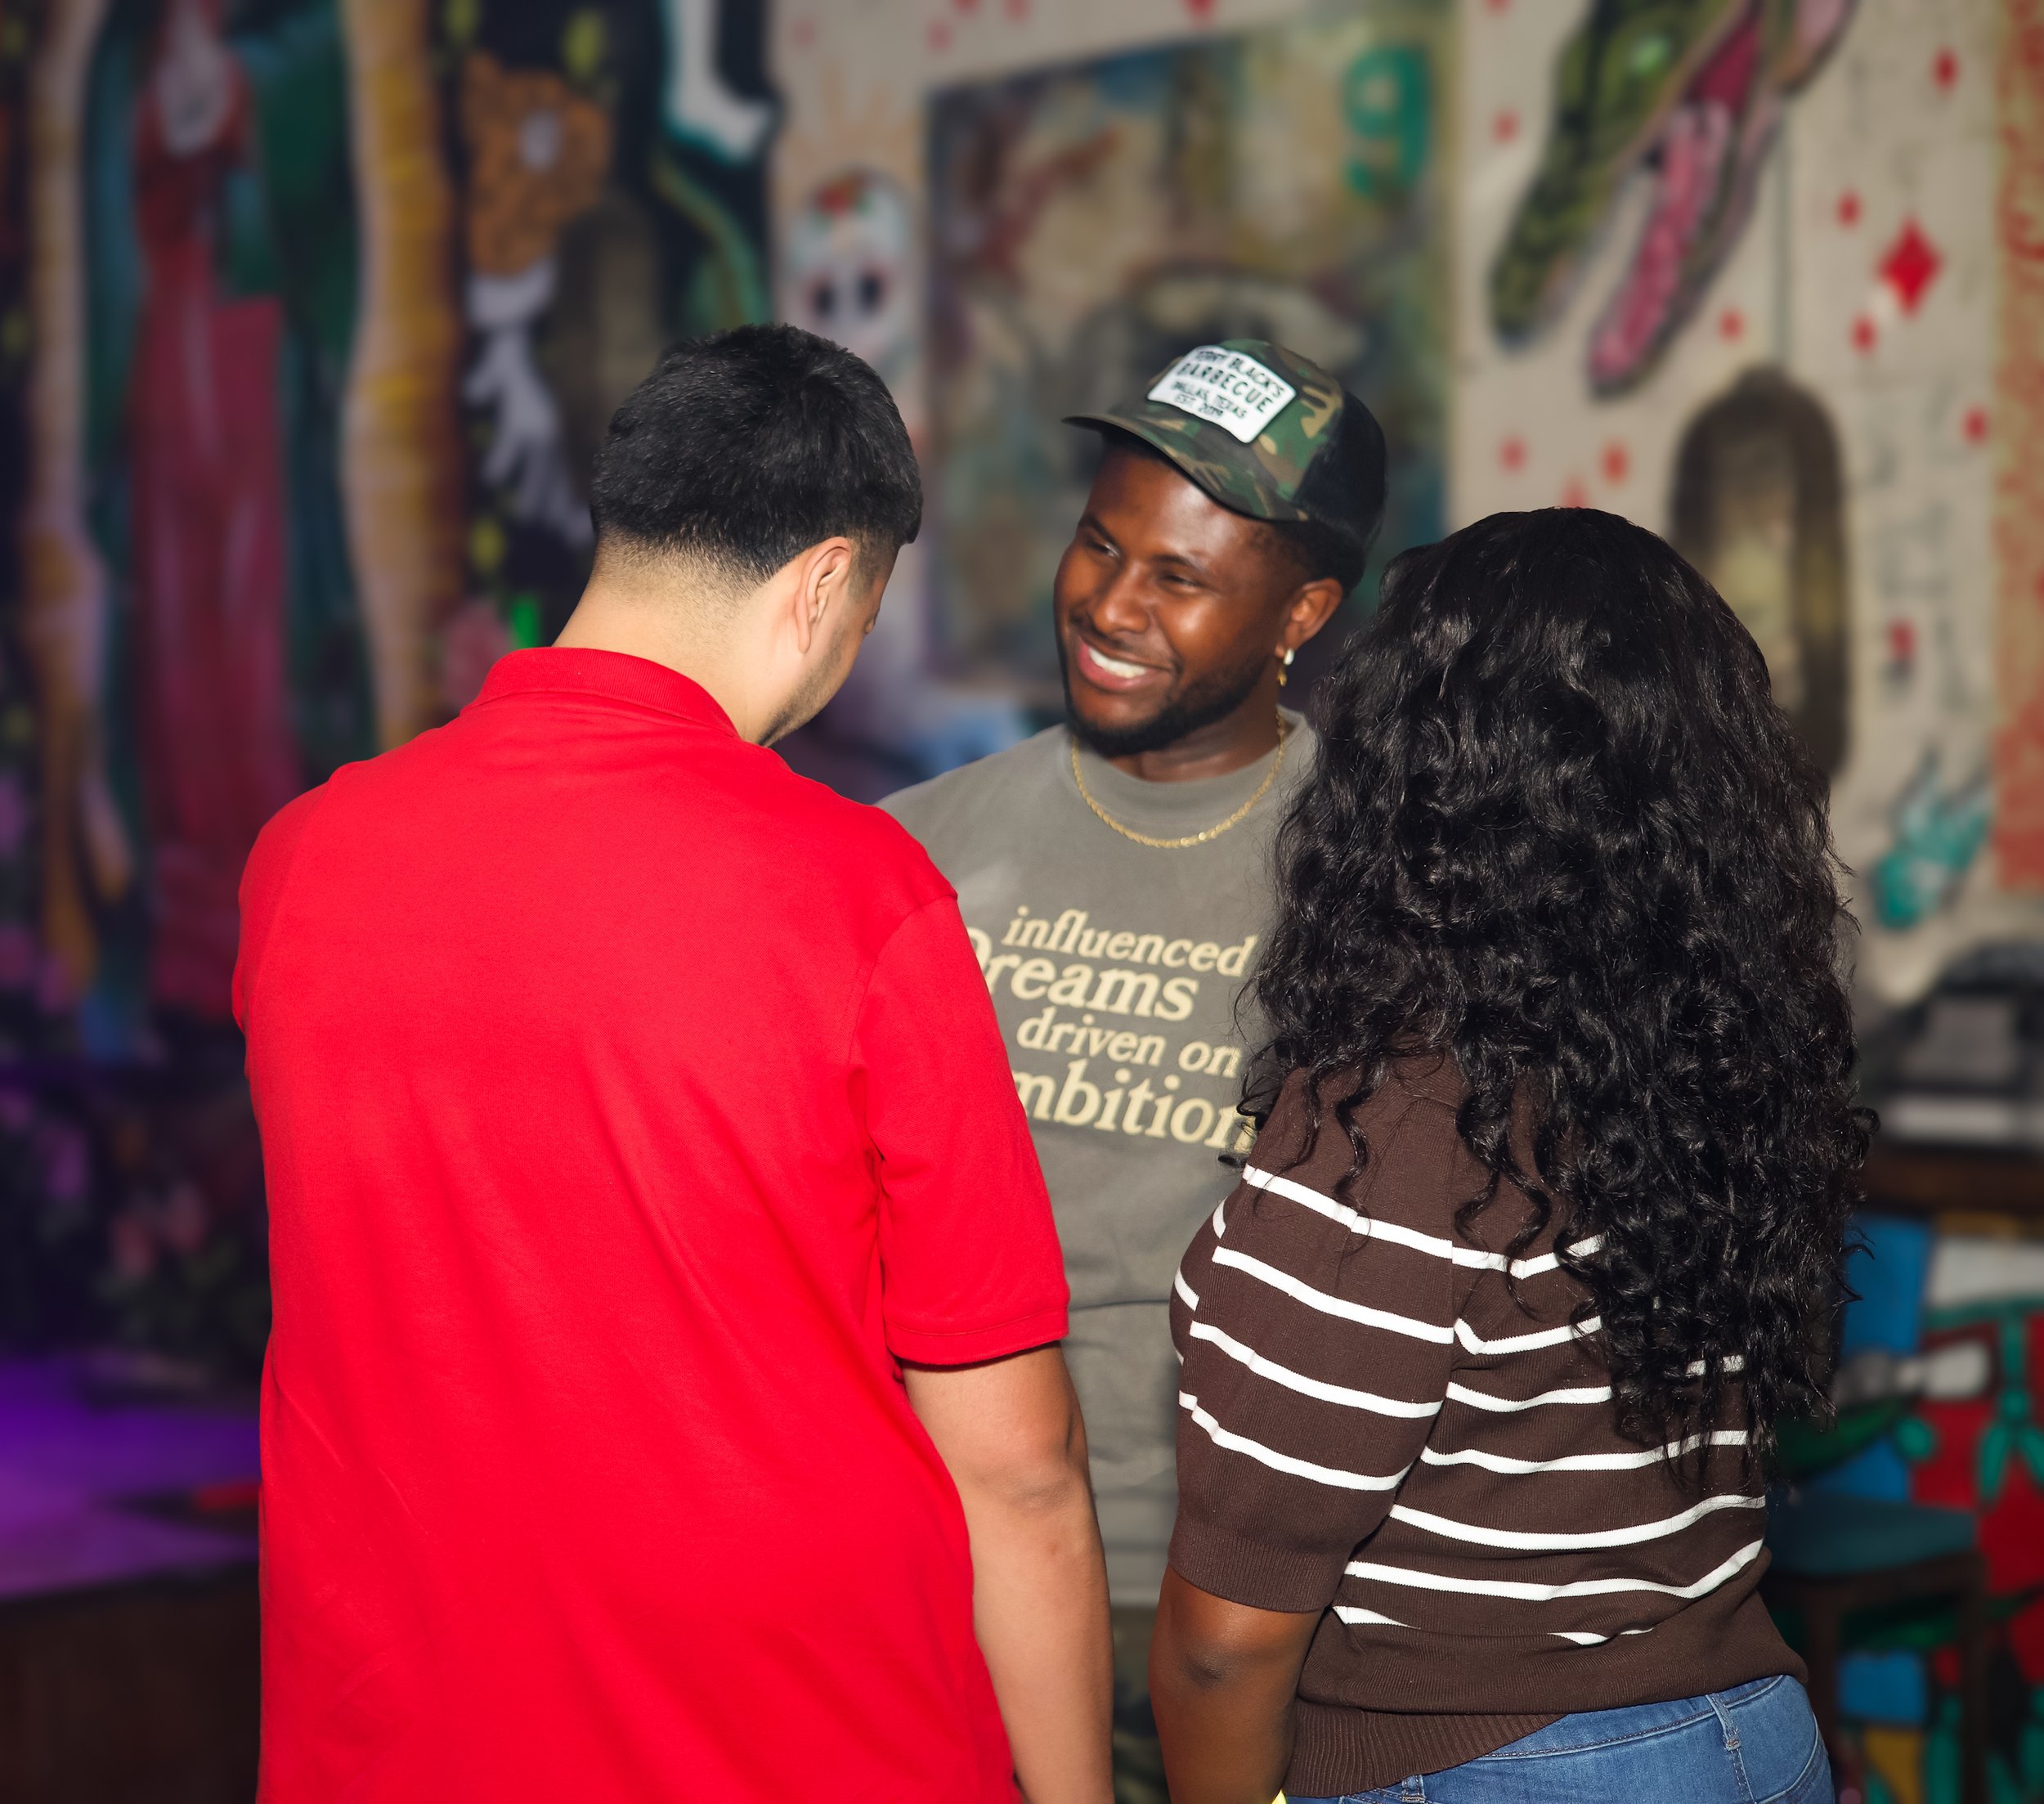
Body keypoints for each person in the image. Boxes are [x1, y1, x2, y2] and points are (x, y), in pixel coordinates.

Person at [235, 325, 1113, 1802]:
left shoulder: (300, 859)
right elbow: (1016, 1465)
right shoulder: (860, 896)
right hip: (798, 1737)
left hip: (401, 1736)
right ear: (827, 579)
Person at [1151, 508, 1861, 1804]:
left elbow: (1223, 1645)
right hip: (1754, 1739)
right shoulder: (1710, 1061)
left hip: (1495, 1762)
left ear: (1414, 771)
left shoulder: (1399, 1121)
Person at [885, 339, 1387, 1797]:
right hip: (953, 1572)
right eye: (1101, 543)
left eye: (1179, 575)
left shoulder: (1374, 869)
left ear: (1302, 611)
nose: (1111, 603)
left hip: (1250, 1608)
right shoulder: (918, 849)